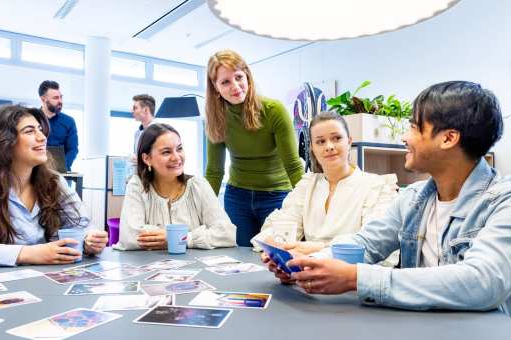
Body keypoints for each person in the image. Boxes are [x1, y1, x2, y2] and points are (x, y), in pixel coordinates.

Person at [263, 81, 511, 340]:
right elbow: (366, 242)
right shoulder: (414, 198)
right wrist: (308, 266)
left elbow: (482, 282)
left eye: (414, 127)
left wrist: (355, 278)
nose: (404, 138)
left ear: (448, 138)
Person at [0, 105, 108, 268]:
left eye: (40, 129)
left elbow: (82, 227)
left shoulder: (54, 181)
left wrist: (89, 240)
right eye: (29, 131)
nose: (42, 137)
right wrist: (28, 254)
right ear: (2, 141)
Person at [251, 112, 398, 254]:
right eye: (320, 141)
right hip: (305, 273)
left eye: (336, 138)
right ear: (312, 148)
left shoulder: (377, 186)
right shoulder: (307, 185)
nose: (329, 146)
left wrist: (315, 249)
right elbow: (279, 229)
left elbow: (374, 245)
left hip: (351, 274)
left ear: (349, 141)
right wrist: (279, 251)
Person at [205, 49, 304, 246]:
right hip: (237, 198)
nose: (235, 86)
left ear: (247, 77)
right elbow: (214, 172)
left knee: (275, 255)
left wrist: (306, 206)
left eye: (239, 77)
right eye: (225, 82)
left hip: (276, 196)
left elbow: (293, 165)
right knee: (239, 256)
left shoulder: (273, 110)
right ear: (215, 87)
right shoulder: (216, 118)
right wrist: (203, 212)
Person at [115, 123, 236, 250]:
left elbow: (227, 234)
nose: (177, 157)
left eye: (179, 149)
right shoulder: (137, 186)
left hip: (195, 267)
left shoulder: (198, 185)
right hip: (151, 266)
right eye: (166, 152)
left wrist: (180, 238)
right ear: (147, 158)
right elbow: (130, 236)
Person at [39, 80, 79, 170]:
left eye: (61, 97)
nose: (60, 101)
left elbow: (73, 149)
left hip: (60, 173)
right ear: (43, 99)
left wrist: (61, 167)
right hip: (34, 172)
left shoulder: (69, 121)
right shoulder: (31, 118)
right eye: (55, 98)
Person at [128, 94, 157, 179]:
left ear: (145, 110)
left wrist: (139, 160)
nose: (131, 111)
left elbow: (161, 157)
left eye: (135, 108)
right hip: (141, 177)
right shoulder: (138, 133)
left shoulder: (159, 131)